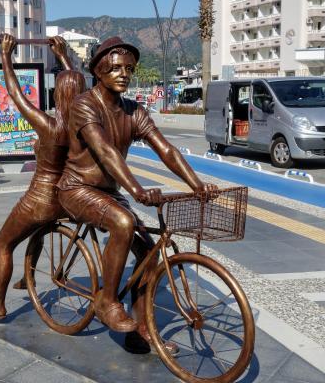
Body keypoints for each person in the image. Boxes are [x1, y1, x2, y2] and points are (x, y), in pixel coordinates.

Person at [57, 37, 216, 350]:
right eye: (115, 68)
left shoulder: (134, 111)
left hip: (107, 193)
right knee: (123, 223)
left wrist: (196, 184)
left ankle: (140, 330)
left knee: (148, 255)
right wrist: (136, 189)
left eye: (129, 69)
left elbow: (166, 149)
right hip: (77, 188)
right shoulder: (83, 105)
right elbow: (104, 150)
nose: (123, 74)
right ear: (99, 71)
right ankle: (105, 302)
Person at [0, 34, 86, 325]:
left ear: (57, 95)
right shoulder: (86, 127)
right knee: (38, 229)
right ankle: (27, 276)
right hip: (67, 197)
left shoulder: (50, 127)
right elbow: (76, 84)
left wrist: (6, 57)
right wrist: (63, 57)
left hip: (41, 198)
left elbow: (14, 93)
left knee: (3, 243)